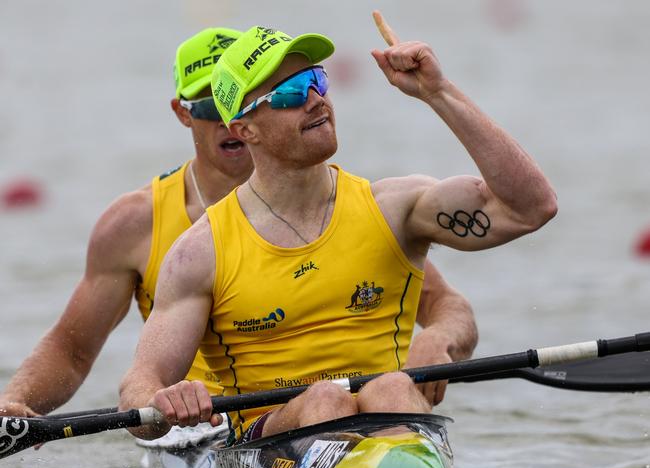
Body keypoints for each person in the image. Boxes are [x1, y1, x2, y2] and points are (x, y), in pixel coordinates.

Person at [118, 12, 556, 443]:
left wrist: (437, 92)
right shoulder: (202, 251)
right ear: (243, 128)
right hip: (265, 440)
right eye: (290, 92)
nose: (315, 99)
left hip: (391, 413)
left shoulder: (393, 208)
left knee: (390, 387)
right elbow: (137, 392)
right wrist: (166, 401)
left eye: (317, 80)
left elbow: (530, 209)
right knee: (326, 400)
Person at [0, 26, 475, 419]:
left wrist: (440, 337)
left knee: (354, 398)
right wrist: (12, 404)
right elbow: (72, 351)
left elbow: (445, 305)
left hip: (347, 404)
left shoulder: (336, 205)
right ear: (183, 114)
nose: (228, 122)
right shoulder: (135, 225)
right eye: (211, 107)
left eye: (249, 99)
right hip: (204, 424)